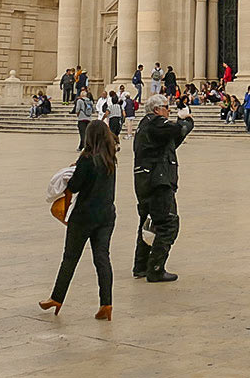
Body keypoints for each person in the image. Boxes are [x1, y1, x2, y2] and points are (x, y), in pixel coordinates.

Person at [39, 119, 118, 321]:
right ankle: (106, 303)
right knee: (102, 258)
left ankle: (57, 298)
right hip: (106, 215)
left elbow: (74, 186)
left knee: (70, 258)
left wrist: (73, 170)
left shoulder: (87, 158)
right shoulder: (111, 159)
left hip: (84, 217)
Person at [132, 94, 194, 282]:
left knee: (148, 223)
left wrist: (186, 124)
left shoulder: (149, 126)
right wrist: (185, 120)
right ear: (157, 109)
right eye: (167, 107)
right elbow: (175, 129)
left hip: (146, 181)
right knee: (168, 224)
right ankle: (156, 268)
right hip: (157, 182)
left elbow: (173, 141)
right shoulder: (156, 122)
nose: (169, 111)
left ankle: (141, 265)